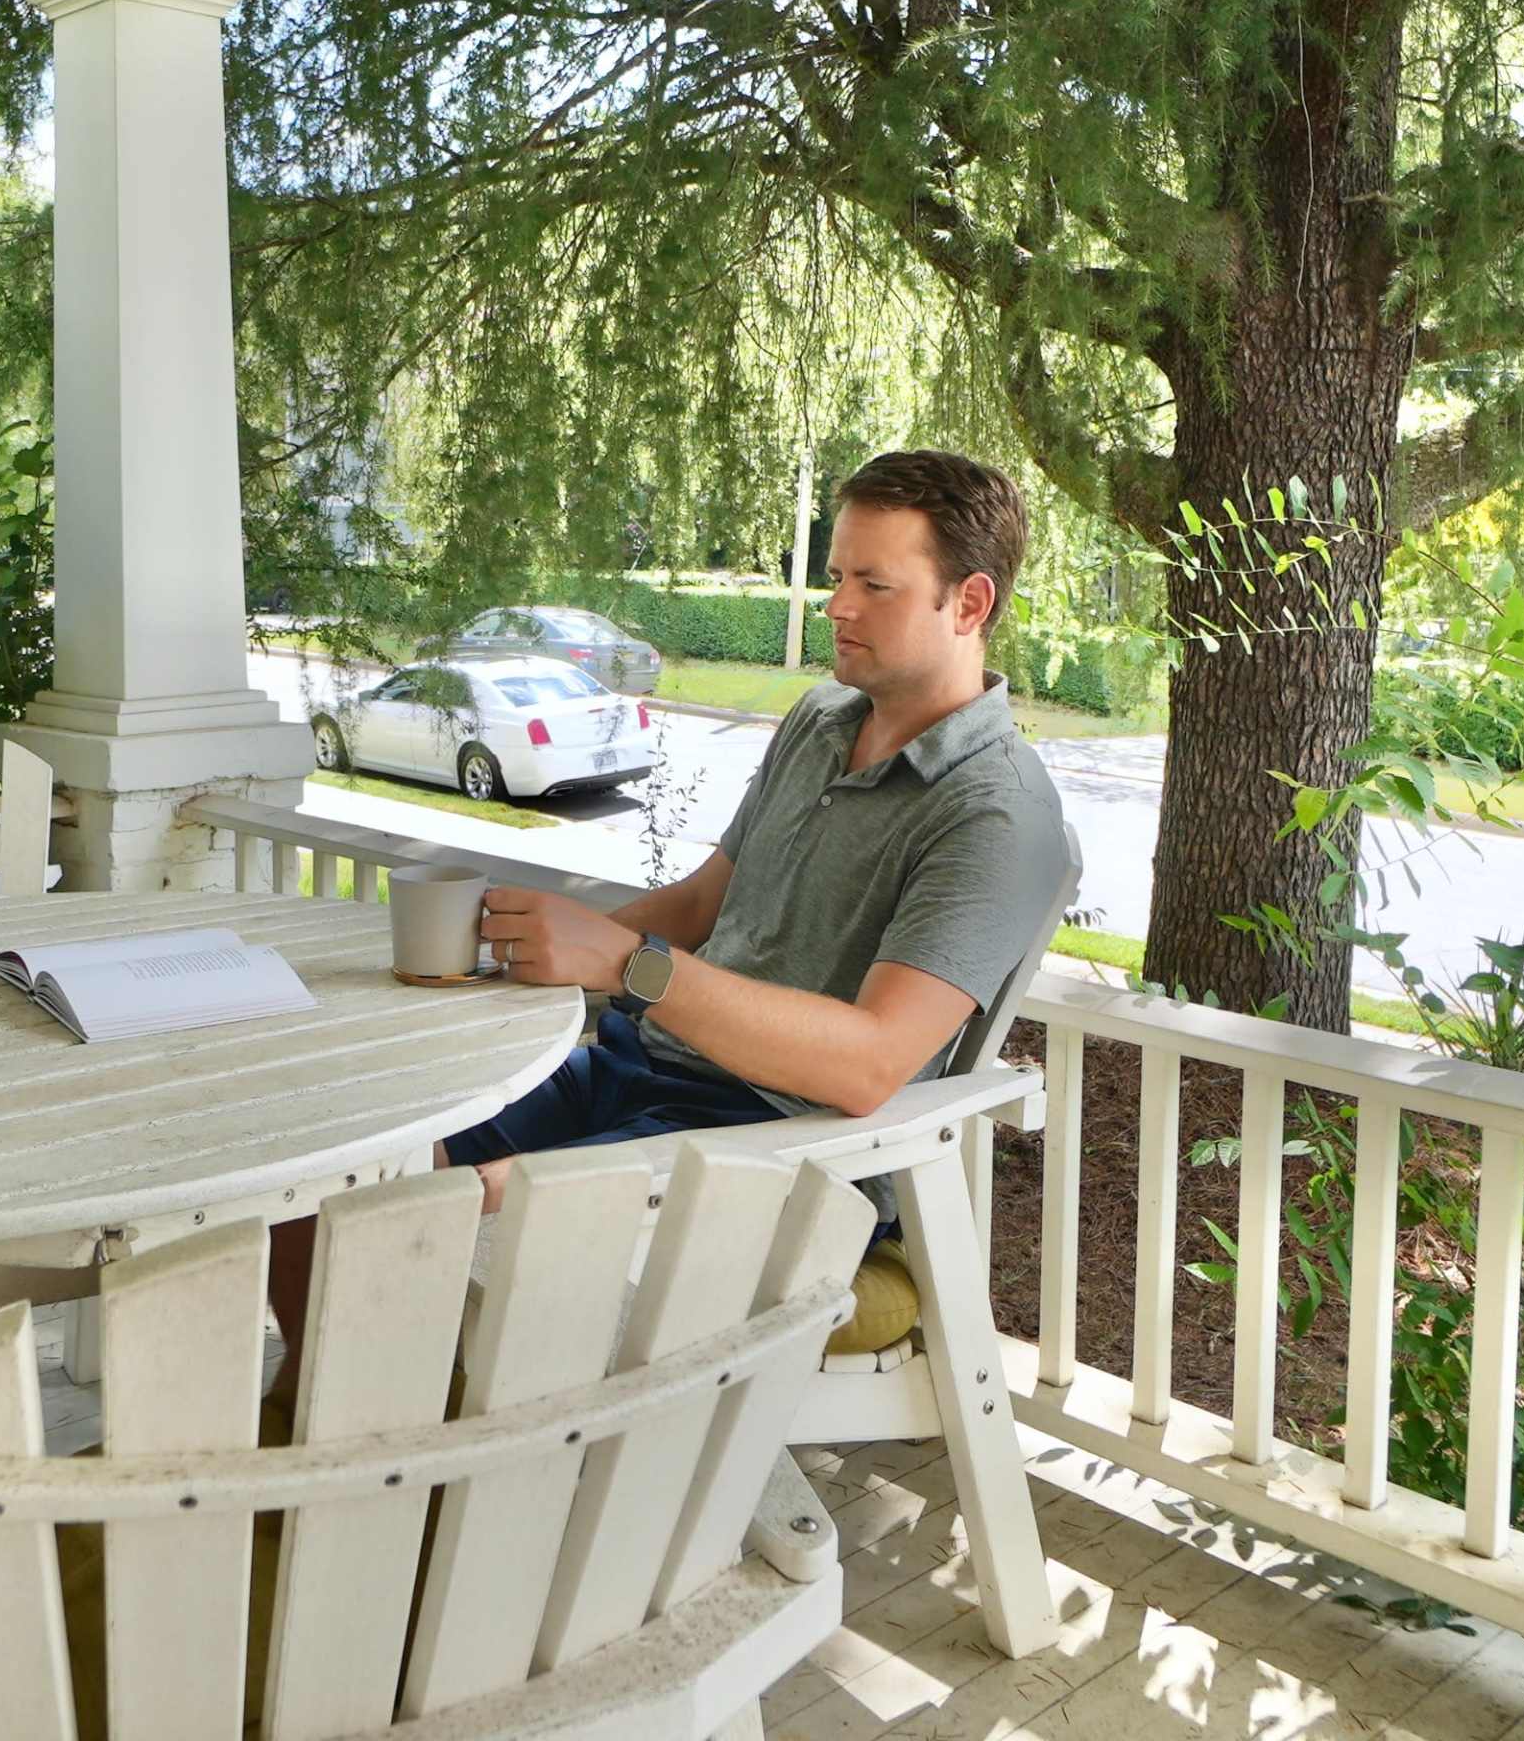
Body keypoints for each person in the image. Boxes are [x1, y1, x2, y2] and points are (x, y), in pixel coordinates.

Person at [268, 448, 1071, 1359]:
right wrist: (544, 954)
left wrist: (624, 965)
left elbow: (870, 1064)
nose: (838, 606)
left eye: (874, 585)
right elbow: (701, 903)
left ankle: (415, 1459)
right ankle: (331, 1437)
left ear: (969, 603)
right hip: (635, 1071)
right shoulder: (823, 722)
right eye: (838, 575)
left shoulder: (995, 813)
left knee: (417, 1220)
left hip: (781, 1146)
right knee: (323, 1174)